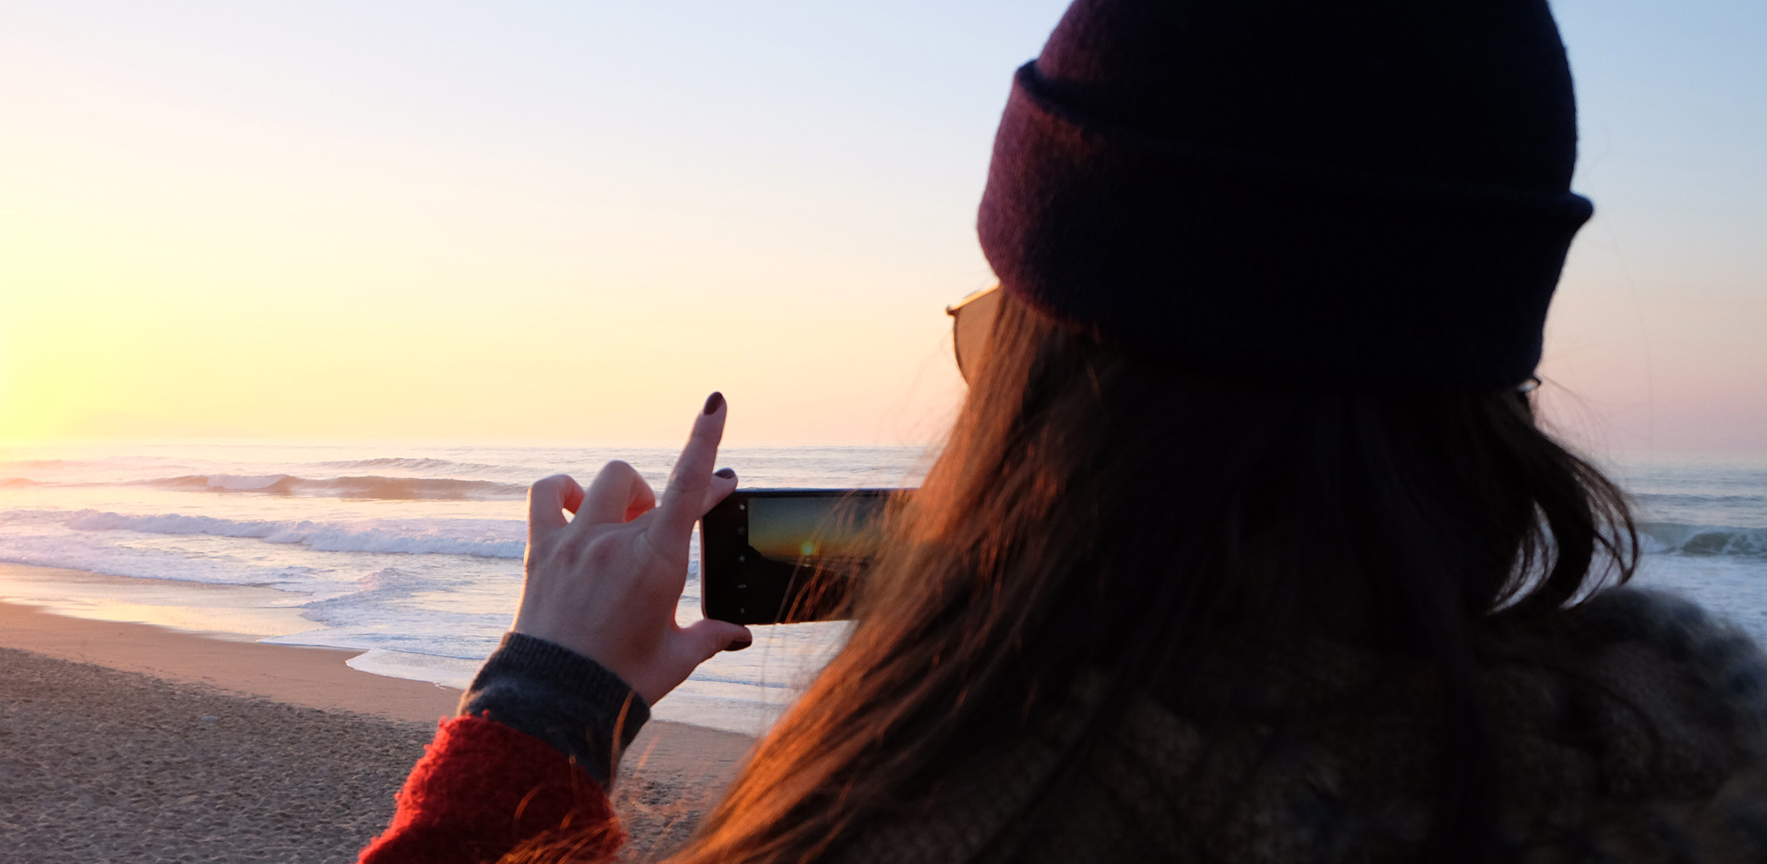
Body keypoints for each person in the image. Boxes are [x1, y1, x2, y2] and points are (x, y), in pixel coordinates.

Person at [359, 0, 1767, 861]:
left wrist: (546, 705)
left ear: (1052, 393)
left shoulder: (943, 827)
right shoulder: (1684, 746)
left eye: (993, 339)